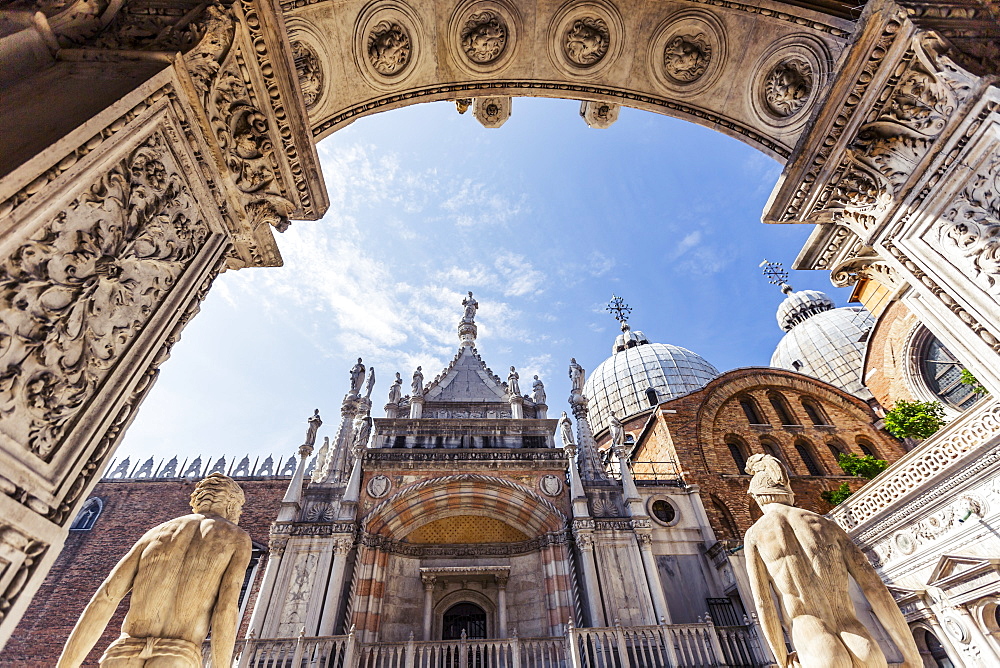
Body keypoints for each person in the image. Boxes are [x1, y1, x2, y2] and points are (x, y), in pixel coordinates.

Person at [743, 454, 921, 668]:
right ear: (787, 491)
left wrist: (782, 660)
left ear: (759, 497)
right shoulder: (826, 524)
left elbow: (765, 605)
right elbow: (877, 590)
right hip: (861, 641)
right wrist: (912, 656)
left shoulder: (756, 534)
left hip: (815, 643)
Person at [57, 473, 252, 668]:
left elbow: (106, 597)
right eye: (240, 509)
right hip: (177, 654)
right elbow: (225, 610)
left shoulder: (155, 533)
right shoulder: (236, 538)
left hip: (123, 652)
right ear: (231, 504)